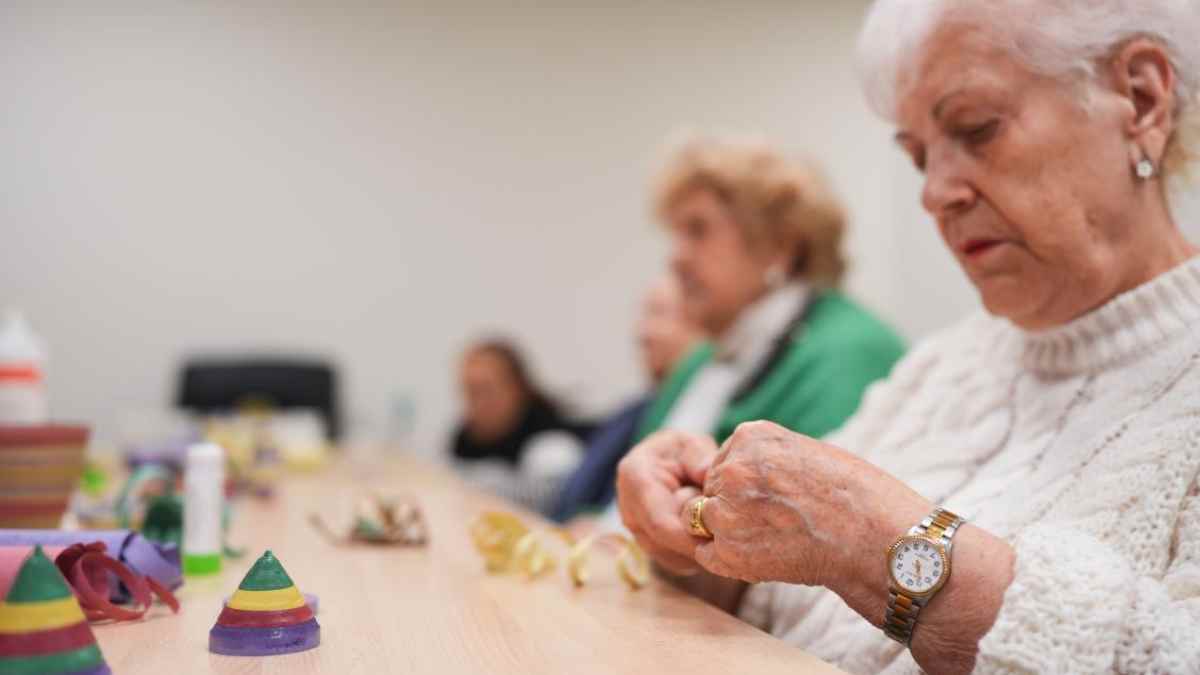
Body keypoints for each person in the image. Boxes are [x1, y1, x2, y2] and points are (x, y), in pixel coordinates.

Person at [616, 2, 1200, 674]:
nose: (934, 192)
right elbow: (771, 598)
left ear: (1142, 98)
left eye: (977, 129)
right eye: (919, 155)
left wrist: (879, 543)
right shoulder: (941, 367)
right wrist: (693, 532)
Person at [632, 133, 905, 451]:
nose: (676, 257)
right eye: (676, 234)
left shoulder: (850, 353)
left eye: (698, 230)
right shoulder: (702, 358)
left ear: (780, 244)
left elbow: (824, 496)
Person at [551, 274, 702, 522]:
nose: (643, 332)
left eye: (660, 314)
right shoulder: (631, 414)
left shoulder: (696, 423)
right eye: (645, 314)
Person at [450, 339, 590, 511]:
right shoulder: (464, 440)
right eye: (470, 392)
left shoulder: (554, 447)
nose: (477, 403)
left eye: (486, 390)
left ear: (517, 387)